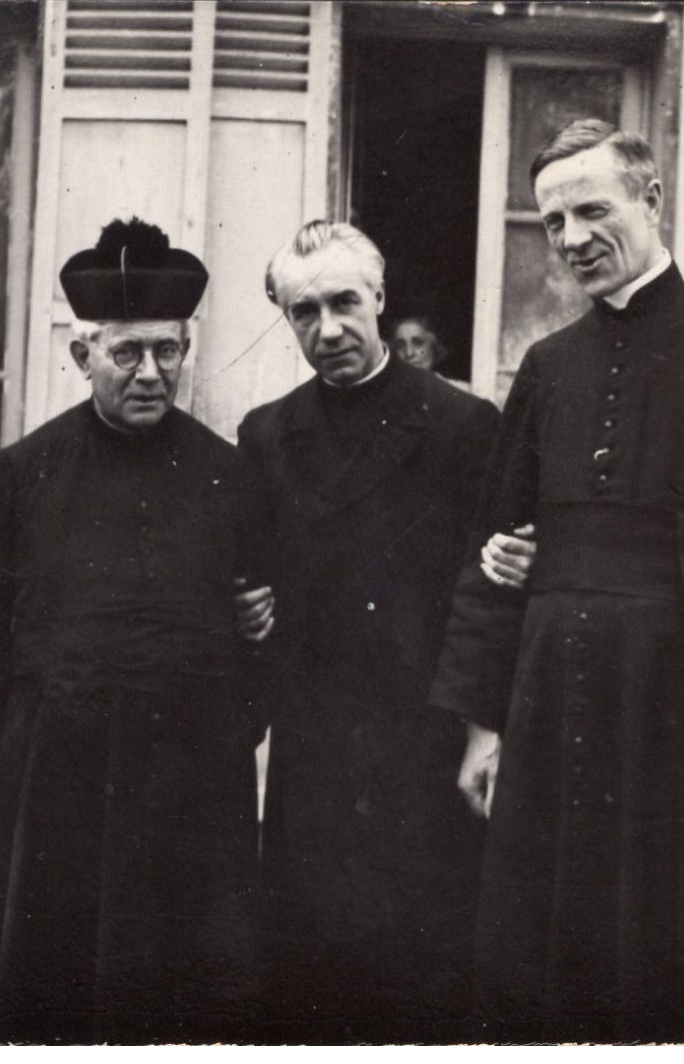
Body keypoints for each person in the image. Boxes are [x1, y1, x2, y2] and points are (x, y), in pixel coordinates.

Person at [429, 121, 684, 1043]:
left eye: (591, 210)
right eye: (551, 222)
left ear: (651, 202)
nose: (571, 237)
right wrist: (481, 727)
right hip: (557, 704)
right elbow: (493, 557)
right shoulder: (544, 368)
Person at [0, 218, 274, 1044]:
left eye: (168, 351)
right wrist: (17, 735)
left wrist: (231, 726)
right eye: (127, 353)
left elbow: (265, 617)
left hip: (194, 783)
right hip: (57, 782)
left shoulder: (229, 474)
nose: (151, 373)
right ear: (83, 357)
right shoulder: (23, 472)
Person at [238, 221, 500, 1042]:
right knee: (311, 975)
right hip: (314, 746)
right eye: (303, 312)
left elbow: (489, 594)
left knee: (429, 973)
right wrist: (246, 614)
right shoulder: (266, 434)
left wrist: (481, 731)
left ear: (379, 301)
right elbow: (252, 577)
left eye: (345, 304)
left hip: (428, 738)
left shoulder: (463, 425)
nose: (328, 330)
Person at [388, 315, 471, 392]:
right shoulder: (388, 394)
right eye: (400, 345)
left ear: (433, 347)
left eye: (418, 343)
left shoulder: (458, 391)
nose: (409, 353)